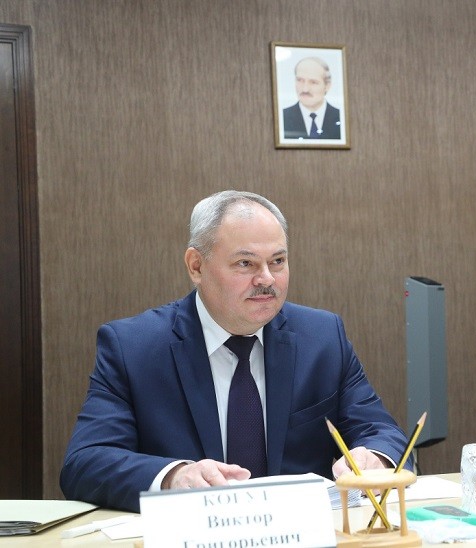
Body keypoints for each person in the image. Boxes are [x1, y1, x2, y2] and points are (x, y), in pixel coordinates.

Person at [61, 190, 409, 512]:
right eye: (246, 263)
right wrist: (173, 476)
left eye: (277, 261)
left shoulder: (321, 338)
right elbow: (85, 463)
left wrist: (375, 458)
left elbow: (383, 433)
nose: (267, 279)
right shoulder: (133, 347)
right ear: (196, 266)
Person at [282, 57, 342, 140]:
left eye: (313, 82)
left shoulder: (341, 118)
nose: (305, 89)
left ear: (327, 86)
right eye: (300, 80)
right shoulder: (282, 117)